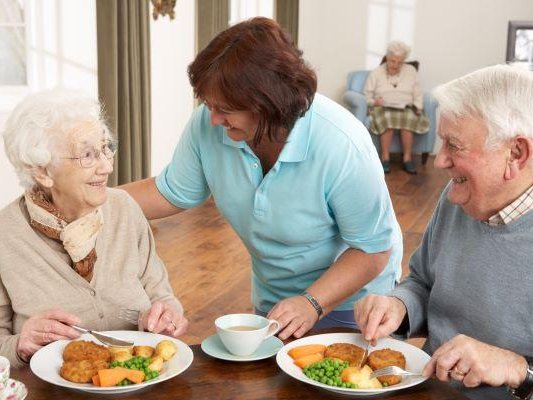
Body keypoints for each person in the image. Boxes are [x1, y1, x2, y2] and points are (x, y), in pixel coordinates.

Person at [123, 17, 403, 340]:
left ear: (268, 104)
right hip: (277, 300)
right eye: (208, 105)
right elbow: (169, 192)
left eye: (224, 108)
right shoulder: (210, 124)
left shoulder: (342, 143)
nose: (212, 119)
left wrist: (313, 302)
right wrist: (90, 201)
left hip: (354, 303)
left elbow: (373, 250)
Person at [355, 65, 533, 400]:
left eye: (454, 145)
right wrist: (399, 306)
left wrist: (517, 369)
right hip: (427, 388)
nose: (440, 161)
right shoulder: (457, 197)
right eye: (442, 142)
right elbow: (422, 281)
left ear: (516, 153)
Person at [0, 89, 188, 368]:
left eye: (105, 148)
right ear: (42, 171)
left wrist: (168, 315)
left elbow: (161, 294)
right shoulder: (6, 235)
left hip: (137, 380)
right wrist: (19, 344)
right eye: (87, 155)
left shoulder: (124, 208)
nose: (106, 166)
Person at [364, 41, 430, 174]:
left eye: (400, 62)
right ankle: (385, 158)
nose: (396, 65)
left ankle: (407, 158)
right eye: (393, 61)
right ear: (387, 57)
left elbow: (417, 92)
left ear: (404, 60)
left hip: (405, 106)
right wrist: (374, 102)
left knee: (409, 118)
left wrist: (418, 106)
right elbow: (367, 94)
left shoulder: (410, 71)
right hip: (382, 107)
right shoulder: (377, 72)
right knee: (387, 118)